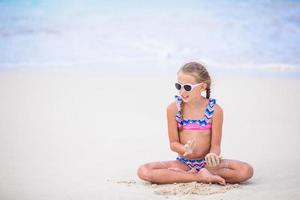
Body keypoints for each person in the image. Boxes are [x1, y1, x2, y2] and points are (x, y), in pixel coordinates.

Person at [137, 62, 253, 185]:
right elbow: (173, 143)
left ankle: (195, 175)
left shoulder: (215, 110)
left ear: (203, 87)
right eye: (178, 86)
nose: (182, 92)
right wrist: (184, 148)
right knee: (144, 171)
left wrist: (213, 155)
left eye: (187, 87)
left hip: (208, 165)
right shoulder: (173, 108)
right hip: (184, 163)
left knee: (246, 171)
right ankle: (199, 177)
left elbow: (216, 145)